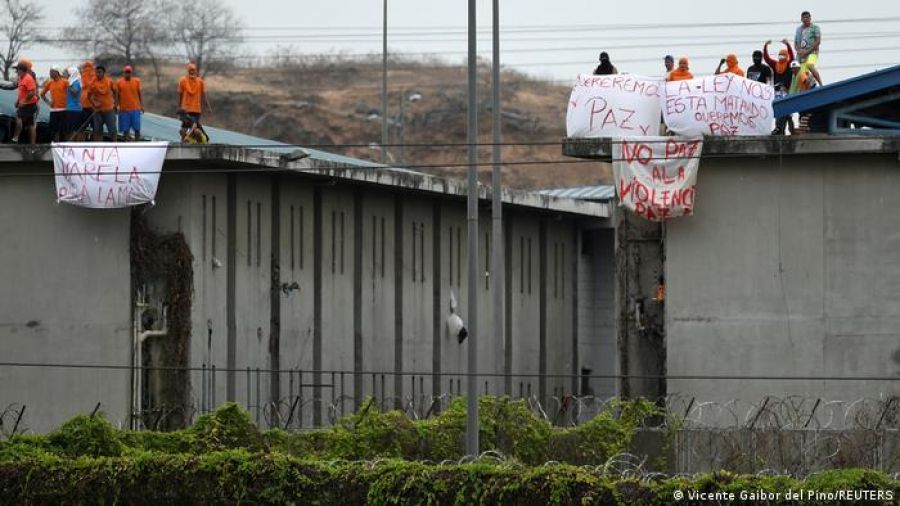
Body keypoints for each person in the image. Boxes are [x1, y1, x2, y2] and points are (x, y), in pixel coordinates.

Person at [764, 39, 795, 134]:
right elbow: (767, 59)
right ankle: (779, 130)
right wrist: (765, 46)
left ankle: (792, 131)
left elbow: (792, 56)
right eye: (780, 55)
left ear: (786, 56)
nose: (781, 57)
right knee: (778, 111)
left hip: (786, 91)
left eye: (783, 55)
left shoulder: (789, 64)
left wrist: (788, 45)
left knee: (788, 113)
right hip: (777, 91)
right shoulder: (775, 65)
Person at [178, 63, 212, 142]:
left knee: (189, 128)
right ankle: (199, 139)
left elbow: (180, 95)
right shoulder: (200, 81)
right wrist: (208, 106)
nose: (192, 72)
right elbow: (204, 95)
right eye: (192, 70)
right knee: (192, 127)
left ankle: (189, 140)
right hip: (195, 109)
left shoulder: (183, 80)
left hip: (185, 109)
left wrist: (179, 106)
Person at [11, 61, 37, 144]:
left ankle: (15, 138)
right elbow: (22, 92)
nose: (16, 72)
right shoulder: (21, 78)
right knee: (30, 124)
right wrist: (18, 101)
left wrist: (24, 101)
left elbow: (32, 92)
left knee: (18, 117)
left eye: (17, 70)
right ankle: (32, 145)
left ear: (22, 70)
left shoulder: (28, 78)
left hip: (29, 104)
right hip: (25, 103)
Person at [794, 11, 823, 87]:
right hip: (801, 54)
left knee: (810, 65)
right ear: (801, 19)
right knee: (797, 69)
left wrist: (807, 51)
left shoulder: (815, 28)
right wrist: (799, 51)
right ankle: (807, 85)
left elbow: (818, 41)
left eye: (807, 17)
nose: (805, 19)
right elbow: (796, 43)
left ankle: (821, 84)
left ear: (810, 18)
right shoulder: (798, 29)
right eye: (804, 17)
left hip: (813, 52)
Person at [88, 64, 116, 141]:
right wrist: (94, 103)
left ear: (104, 73)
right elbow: (88, 96)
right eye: (96, 72)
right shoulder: (92, 82)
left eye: (100, 72)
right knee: (97, 131)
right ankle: (98, 146)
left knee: (112, 130)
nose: (98, 74)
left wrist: (115, 104)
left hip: (109, 110)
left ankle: (115, 145)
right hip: (97, 111)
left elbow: (115, 91)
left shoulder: (109, 81)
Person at [40, 66, 69, 142]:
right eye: (50, 72)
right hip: (53, 110)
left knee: (63, 130)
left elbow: (71, 94)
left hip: (64, 109)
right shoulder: (50, 82)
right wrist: (48, 102)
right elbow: (42, 94)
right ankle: (54, 144)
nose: (50, 73)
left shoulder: (65, 82)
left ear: (57, 72)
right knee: (53, 129)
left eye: (52, 72)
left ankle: (63, 144)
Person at [116, 65, 143, 141]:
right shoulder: (119, 82)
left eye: (129, 72)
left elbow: (139, 94)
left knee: (137, 128)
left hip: (135, 109)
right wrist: (116, 105)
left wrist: (142, 105)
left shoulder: (137, 81)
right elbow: (117, 96)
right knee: (125, 130)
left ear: (131, 73)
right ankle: (126, 143)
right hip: (124, 110)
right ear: (124, 73)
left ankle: (137, 143)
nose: (127, 74)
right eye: (126, 72)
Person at [78, 61, 96, 140]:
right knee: (96, 128)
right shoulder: (94, 76)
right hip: (92, 106)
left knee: (82, 128)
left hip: (84, 105)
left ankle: (81, 143)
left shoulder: (81, 76)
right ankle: (93, 143)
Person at [62, 67, 82, 141]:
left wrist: (68, 86)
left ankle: (73, 143)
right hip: (69, 108)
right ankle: (69, 143)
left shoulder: (76, 82)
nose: (66, 74)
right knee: (68, 129)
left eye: (67, 73)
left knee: (74, 128)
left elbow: (75, 92)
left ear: (72, 73)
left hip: (75, 109)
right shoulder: (70, 82)